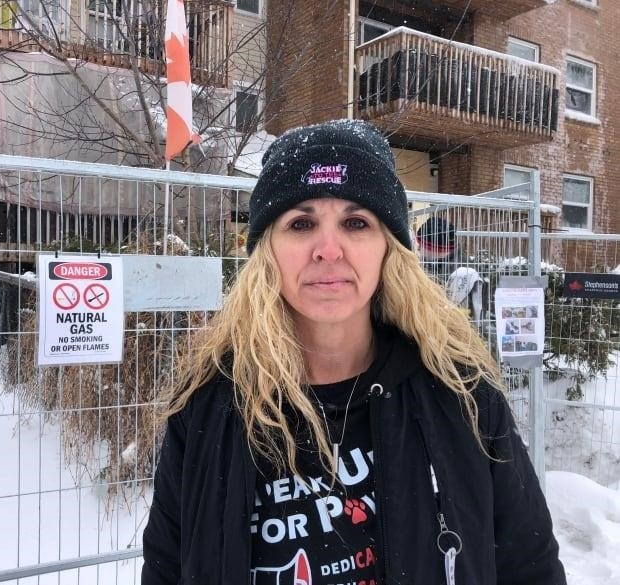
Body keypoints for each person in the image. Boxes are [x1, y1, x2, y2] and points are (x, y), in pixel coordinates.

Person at [141, 119, 565, 585]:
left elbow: (531, 566)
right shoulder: (209, 405)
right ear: (267, 250)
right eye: (301, 223)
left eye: (356, 222)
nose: (328, 249)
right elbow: (165, 568)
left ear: (389, 247)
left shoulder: (461, 396)